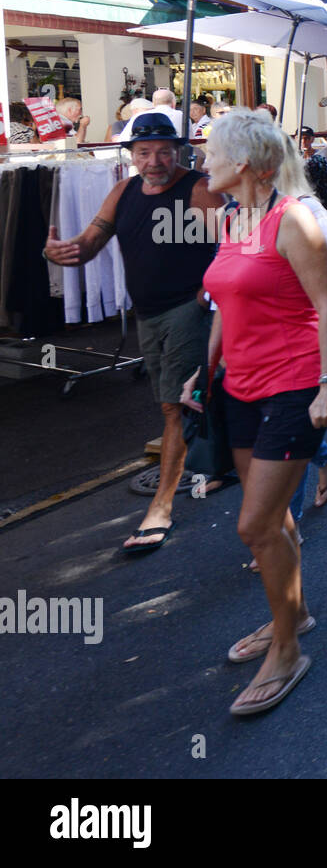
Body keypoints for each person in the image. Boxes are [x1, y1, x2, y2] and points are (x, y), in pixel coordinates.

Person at [178, 108, 327, 715]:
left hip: (293, 385)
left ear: (242, 162)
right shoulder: (232, 218)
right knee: (277, 520)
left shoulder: (292, 219)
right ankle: (291, 614)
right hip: (239, 387)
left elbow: (326, 304)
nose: (204, 161)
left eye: (212, 152)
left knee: (255, 525)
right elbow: (224, 303)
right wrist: (206, 367)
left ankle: (288, 649)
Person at [43, 115, 225, 552]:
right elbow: (89, 243)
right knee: (196, 399)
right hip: (147, 313)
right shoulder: (123, 191)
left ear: (178, 151)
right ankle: (302, 455)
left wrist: (204, 296)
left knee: (172, 408)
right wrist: (62, 252)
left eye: (164, 150)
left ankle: (160, 508)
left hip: (188, 311)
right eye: (144, 152)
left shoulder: (198, 188)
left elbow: (235, 245)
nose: (155, 160)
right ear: (131, 156)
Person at [274, 135, 327, 529]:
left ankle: (285, 529)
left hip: (295, 348)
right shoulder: (239, 214)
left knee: (285, 434)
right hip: (253, 352)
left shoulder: (304, 211)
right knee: (272, 431)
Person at [119, 89, 185, 141]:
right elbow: (190, 140)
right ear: (173, 104)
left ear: (153, 103)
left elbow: (122, 140)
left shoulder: (139, 117)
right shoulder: (182, 116)